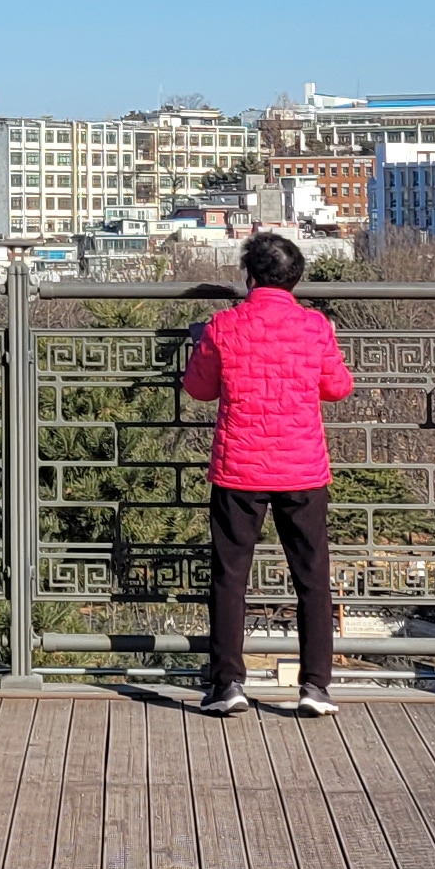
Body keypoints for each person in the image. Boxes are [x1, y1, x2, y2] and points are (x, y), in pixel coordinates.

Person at [182, 230, 355, 715]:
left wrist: (200, 344)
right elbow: (338, 387)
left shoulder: (224, 326)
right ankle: (315, 686)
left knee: (230, 576)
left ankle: (228, 683)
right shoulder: (314, 326)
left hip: (239, 467)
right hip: (302, 466)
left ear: (250, 277)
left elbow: (199, 388)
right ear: (295, 279)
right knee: (312, 577)